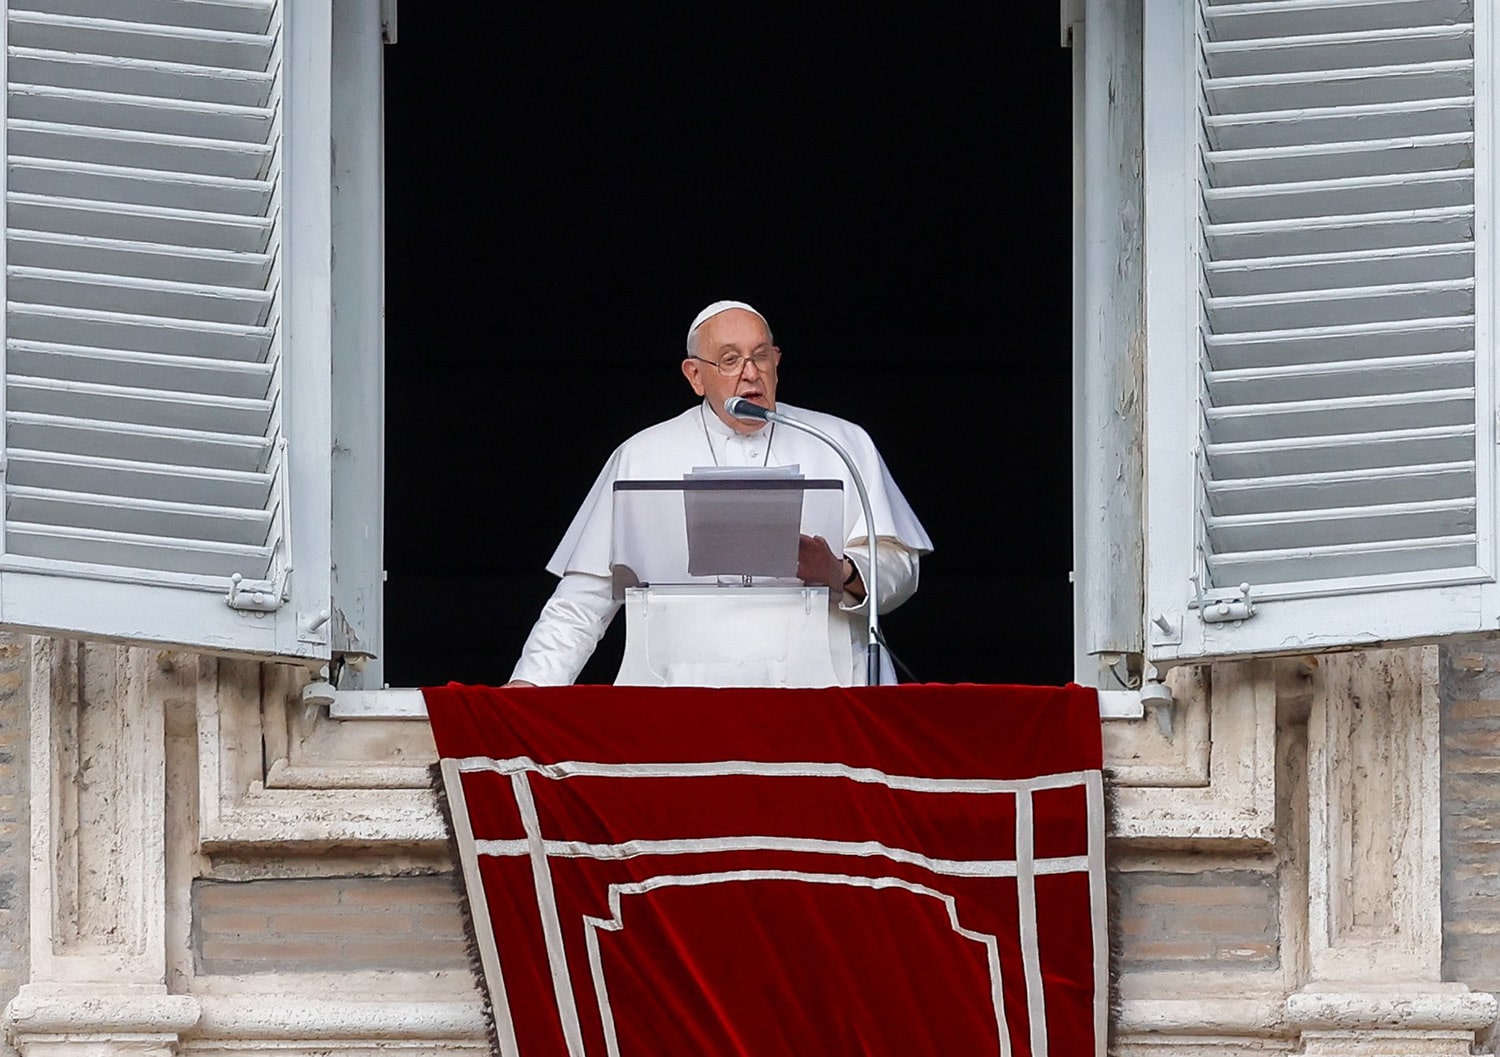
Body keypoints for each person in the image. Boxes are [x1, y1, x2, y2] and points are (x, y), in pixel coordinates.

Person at [506, 300, 933, 686]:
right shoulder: (642, 454)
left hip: (823, 691)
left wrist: (841, 572)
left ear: (777, 362)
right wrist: (529, 687)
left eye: (761, 356)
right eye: (730, 360)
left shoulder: (840, 441)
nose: (751, 372)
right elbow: (584, 599)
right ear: (695, 375)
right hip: (682, 698)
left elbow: (900, 565)